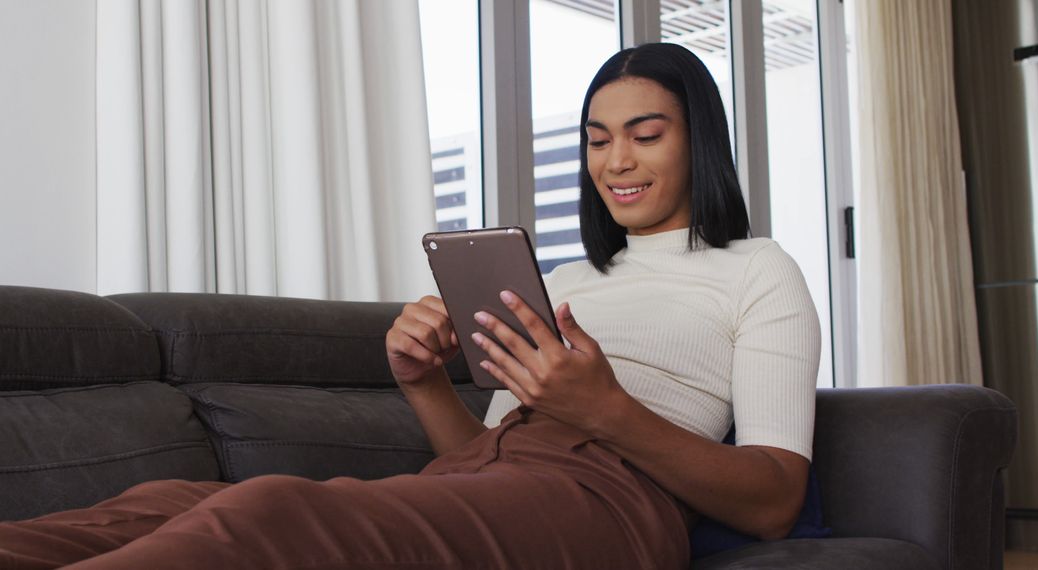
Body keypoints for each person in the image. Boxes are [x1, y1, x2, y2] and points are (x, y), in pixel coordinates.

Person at [0, 42, 819, 569]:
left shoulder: (758, 271)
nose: (616, 161)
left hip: (609, 503)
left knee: (272, 513)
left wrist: (602, 409)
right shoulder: (566, 281)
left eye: (645, 133)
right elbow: (485, 455)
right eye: (598, 139)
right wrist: (424, 383)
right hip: (504, 475)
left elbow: (776, 501)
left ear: (697, 139)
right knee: (159, 507)